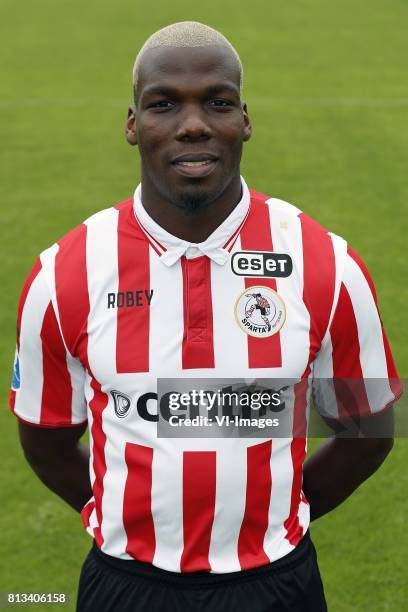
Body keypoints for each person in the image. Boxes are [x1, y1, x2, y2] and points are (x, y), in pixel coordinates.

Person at [9, 21, 402, 612]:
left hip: (278, 583)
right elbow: (46, 439)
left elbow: (366, 427)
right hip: (124, 585)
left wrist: (278, 518)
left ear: (244, 119)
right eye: (164, 104)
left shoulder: (327, 264)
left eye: (216, 102)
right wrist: (116, 517)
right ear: (132, 124)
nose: (192, 124)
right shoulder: (65, 274)